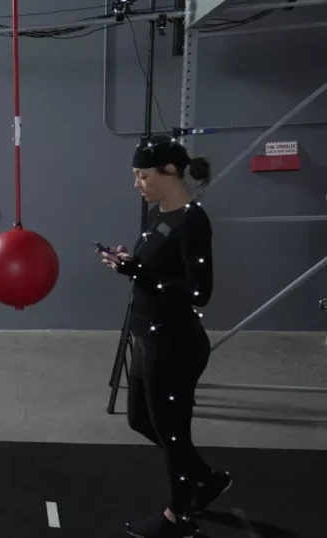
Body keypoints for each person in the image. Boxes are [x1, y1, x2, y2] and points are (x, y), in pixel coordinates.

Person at [98, 135, 232, 538]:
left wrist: (138, 272)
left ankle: (179, 518)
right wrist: (130, 261)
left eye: (143, 175)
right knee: (141, 420)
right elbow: (158, 268)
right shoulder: (159, 214)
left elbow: (199, 291)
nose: (137, 183)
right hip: (148, 335)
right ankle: (206, 479)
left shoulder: (192, 220)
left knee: (174, 432)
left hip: (175, 343)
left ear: (170, 172)